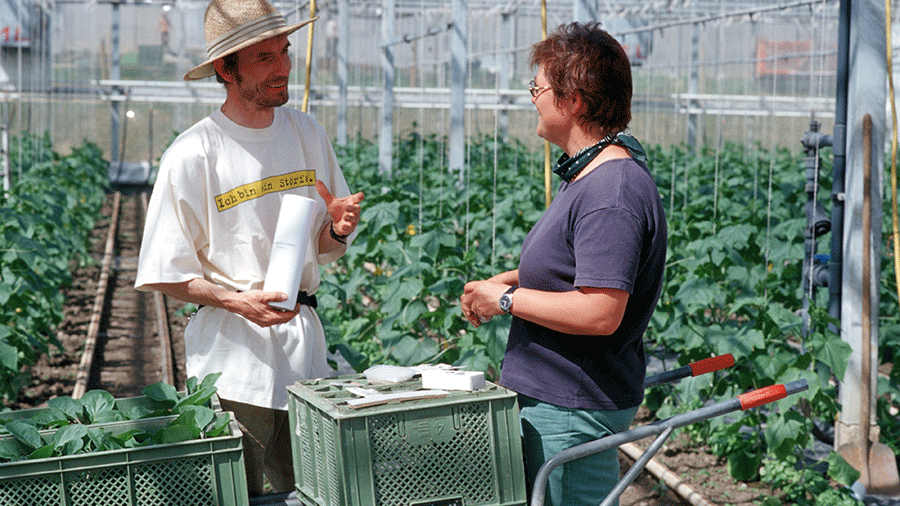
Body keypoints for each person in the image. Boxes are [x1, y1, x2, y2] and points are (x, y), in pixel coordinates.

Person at [134, 0, 364, 496]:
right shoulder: (195, 153)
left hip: (306, 357)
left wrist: (339, 228)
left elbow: (323, 248)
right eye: (263, 59)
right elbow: (163, 270)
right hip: (236, 365)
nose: (281, 67)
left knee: (314, 488)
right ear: (226, 68)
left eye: (283, 52)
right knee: (249, 491)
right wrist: (233, 300)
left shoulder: (306, 133)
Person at [459, 22, 667, 506]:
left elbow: (599, 310)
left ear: (573, 99)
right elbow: (576, 267)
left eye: (538, 87)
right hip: (558, 398)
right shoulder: (590, 177)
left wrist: (506, 299)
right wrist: (502, 282)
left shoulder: (609, 192)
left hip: (569, 405)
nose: (532, 97)